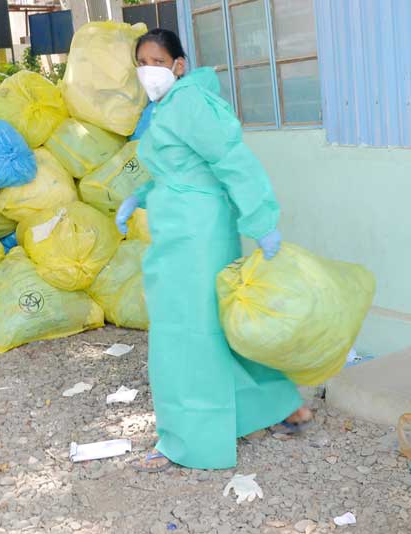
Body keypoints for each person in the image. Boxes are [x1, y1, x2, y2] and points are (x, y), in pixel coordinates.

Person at [116, 29, 313, 472]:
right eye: (141, 61)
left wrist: (261, 219)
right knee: (215, 328)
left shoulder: (187, 103)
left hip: (195, 236)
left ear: (178, 65)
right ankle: (285, 407)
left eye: (156, 60)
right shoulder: (168, 107)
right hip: (180, 228)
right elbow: (184, 168)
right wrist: (142, 194)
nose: (148, 69)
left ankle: (190, 441)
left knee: (186, 337)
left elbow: (230, 159)